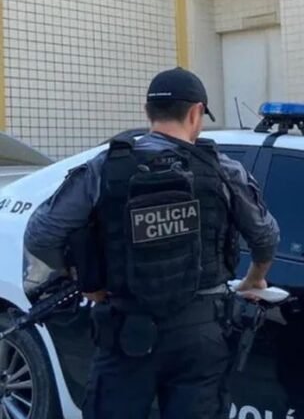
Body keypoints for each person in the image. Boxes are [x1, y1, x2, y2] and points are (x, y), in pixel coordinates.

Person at [23, 67, 281, 419]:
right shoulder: (223, 170)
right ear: (196, 113)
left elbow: (41, 235)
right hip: (201, 333)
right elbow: (266, 236)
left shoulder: (105, 167)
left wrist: (86, 281)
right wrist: (255, 278)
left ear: (147, 112)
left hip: (126, 331)